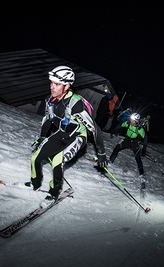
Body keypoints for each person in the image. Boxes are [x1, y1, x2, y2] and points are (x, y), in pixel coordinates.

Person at [27, 66, 108, 208]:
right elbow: (47, 120)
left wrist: (101, 153)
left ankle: (53, 193)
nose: (52, 87)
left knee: (57, 162)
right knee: (35, 158)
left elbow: (95, 129)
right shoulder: (50, 100)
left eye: (57, 84)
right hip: (62, 133)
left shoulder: (75, 104)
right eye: (51, 82)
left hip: (77, 136)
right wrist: (41, 138)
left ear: (67, 86)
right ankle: (34, 184)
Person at [109, 112, 148, 188]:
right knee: (117, 148)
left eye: (132, 121)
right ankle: (110, 161)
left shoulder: (139, 128)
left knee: (138, 158)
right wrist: (113, 130)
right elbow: (120, 125)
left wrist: (144, 149)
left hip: (135, 143)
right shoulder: (128, 123)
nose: (131, 122)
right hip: (127, 140)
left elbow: (145, 138)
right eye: (131, 120)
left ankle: (142, 175)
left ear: (136, 121)